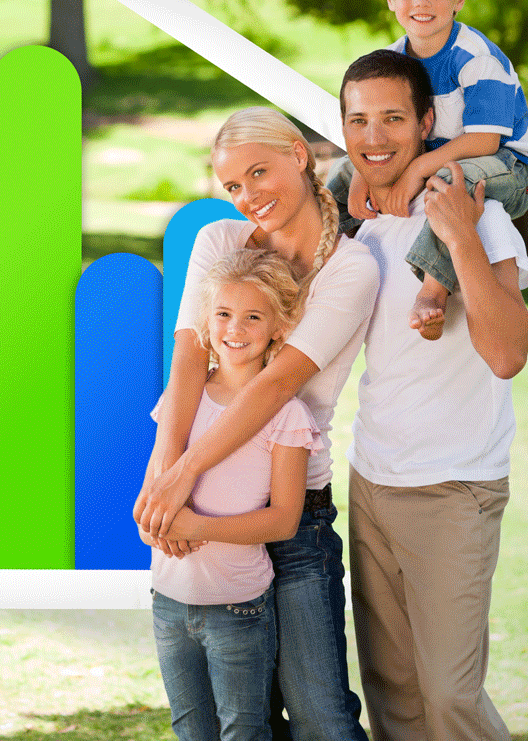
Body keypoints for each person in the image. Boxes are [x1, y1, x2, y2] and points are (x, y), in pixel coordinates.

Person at [135, 106, 377, 741]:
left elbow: (278, 384)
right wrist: (165, 475)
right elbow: (189, 352)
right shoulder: (220, 243)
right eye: (233, 186)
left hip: (292, 524)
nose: (248, 198)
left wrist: (182, 473)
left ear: (301, 155)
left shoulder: (352, 267)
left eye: (260, 173)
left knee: (320, 717)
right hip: (201, 513)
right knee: (238, 722)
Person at [339, 48, 528, 741]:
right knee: (395, 698)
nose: (374, 136)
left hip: (455, 487)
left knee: (450, 698)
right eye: (358, 120)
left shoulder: (477, 212)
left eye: (393, 117)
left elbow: (509, 352)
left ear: (427, 122)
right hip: (372, 482)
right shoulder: (362, 223)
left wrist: (458, 235)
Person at [325, 0, 528, 340]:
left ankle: (433, 290)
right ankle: (314, 256)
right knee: (339, 169)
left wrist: (415, 171)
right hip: (445, 158)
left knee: (449, 182)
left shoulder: (477, 60)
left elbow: (485, 142)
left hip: (509, 169)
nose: (420, 3)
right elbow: (373, 134)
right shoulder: (392, 59)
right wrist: (362, 176)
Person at [143, 248, 324, 741]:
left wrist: (196, 527)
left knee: (243, 731)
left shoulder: (287, 416)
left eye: (252, 316)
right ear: (206, 320)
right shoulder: (181, 399)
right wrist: (157, 525)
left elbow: (284, 520)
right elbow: (147, 499)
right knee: (190, 730)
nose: (234, 328)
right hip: (169, 602)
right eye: (223, 314)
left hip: (237, 607)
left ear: (279, 327)